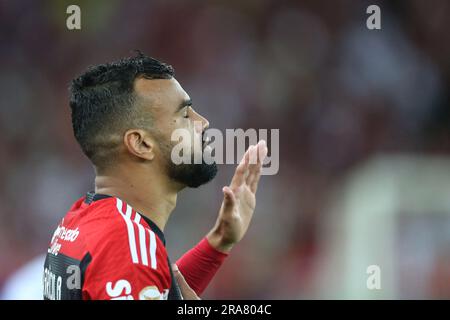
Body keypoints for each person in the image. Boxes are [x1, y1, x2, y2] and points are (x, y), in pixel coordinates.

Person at [43, 52, 268, 300]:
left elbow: (152, 290)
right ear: (141, 143)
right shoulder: (126, 246)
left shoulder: (79, 221)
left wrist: (219, 242)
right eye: (184, 115)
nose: (202, 122)